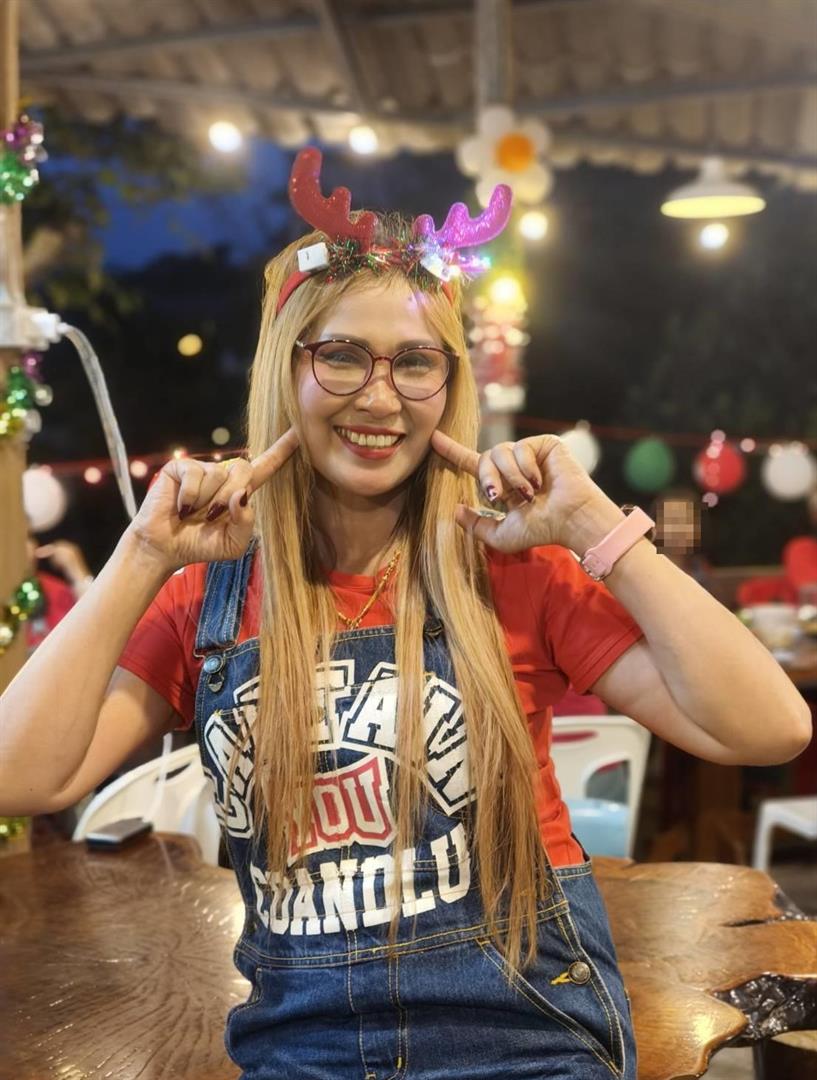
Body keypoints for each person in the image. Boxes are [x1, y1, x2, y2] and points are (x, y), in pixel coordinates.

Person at [0, 150, 811, 1080]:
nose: (379, 397)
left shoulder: (516, 568)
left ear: (449, 384)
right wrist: (142, 555)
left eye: (415, 362)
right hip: (300, 1049)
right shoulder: (205, 594)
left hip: (525, 1039)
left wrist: (594, 527)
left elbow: (769, 728)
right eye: (342, 355)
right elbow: (17, 778)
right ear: (287, 370)